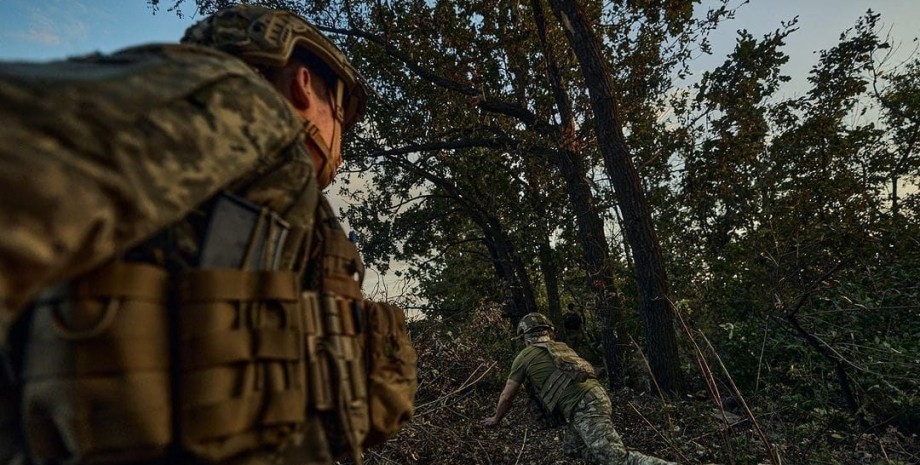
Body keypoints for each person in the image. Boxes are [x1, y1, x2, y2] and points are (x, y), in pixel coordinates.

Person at [0, 5, 415, 465]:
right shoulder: (243, 103)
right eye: (343, 115)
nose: (342, 142)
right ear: (303, 83)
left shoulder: (271, 192)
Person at [480, 313, 674, 465]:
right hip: (593, 398)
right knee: (572, 448)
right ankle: (610, 449)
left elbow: (507, 396)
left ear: (525, 337)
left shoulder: (523, 357)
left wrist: (496, 418)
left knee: (617, 460)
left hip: (585, 406)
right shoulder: (561, 347)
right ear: (549, 332)